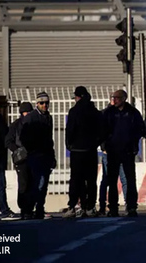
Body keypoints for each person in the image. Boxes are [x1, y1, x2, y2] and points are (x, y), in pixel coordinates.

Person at [102, 89, 145, 217]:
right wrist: (105, 145)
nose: (114, 100)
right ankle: (113, 208)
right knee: (112, 180)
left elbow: (140, 129)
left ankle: (131, 206)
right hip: (113, 152)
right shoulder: (108, 113)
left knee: (130, 180)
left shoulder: (132, 113)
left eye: (117, 98)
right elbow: (102, 130)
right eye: (113, 97)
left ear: (124, 99)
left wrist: (132, 143)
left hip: (127, 152)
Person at [63, 86, 102, 219]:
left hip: (77, 150)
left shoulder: (74, 111)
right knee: (91, 179)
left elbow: (70, 130)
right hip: (90, 150)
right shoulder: (95, 112)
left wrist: (70, 144)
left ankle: (74, 206)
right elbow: (101, 131)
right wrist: (95, 143)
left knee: (76, 179)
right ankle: (90, 206)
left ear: (78, 97)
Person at [20, 92, 56, 220]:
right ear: (37, 103)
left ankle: (39, 208)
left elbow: (49, 138)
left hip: (46, 155)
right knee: (36, 184)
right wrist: (32, 148)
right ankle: (29, 209)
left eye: (46, 103)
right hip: (35, 155)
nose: (45, 105)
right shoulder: (31, 117)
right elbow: (23, 136)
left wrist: (52, 156)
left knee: (44, 184)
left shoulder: (48, 117)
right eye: (42, 103)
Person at [97, 96, 127, 215]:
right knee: (108, 179)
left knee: (122, 179)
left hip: (120, 151)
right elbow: (101, 133)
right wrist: (105, 147)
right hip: (109, 152)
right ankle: (103, 204)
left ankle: (126, 204)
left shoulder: (124, 114)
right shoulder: (105, 114)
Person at [5, 102, 34, 219]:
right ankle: (24, 209)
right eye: (26, 112)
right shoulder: (16, 125)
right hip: (21, 160)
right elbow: (8, 141)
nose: (27, 115)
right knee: (23, 184)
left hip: (33, 157)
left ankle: (30, 208)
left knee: (32, 183)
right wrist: (18, 151)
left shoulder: (34, 124)